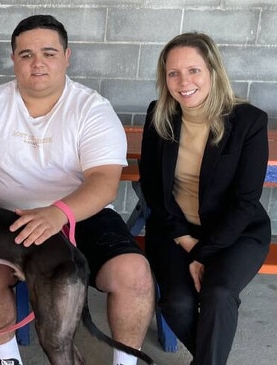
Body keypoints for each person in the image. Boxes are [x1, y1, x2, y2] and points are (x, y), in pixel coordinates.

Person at [0, 14, 155, 365]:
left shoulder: (92, 107)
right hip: (6, 219)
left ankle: (125, 363)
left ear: (66, 56)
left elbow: (104, 183)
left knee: (134, 274)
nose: (38, 63)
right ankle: (8, 359)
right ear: (13, 59)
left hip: (79, 215)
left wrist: (56, 213)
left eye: (48, 52)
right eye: (26, 54)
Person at [139, 32, 271, 365]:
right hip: (174, 230)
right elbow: (152, 189)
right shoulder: (160, 115)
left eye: (194, 70)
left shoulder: (249, 122)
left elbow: (245, 202)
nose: (184, 81)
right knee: (176, 303)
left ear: (212, 70)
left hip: (235, 233)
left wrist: (204, 253)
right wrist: (187, 244)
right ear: (164, 77)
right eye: (173, 73)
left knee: (219, 293)